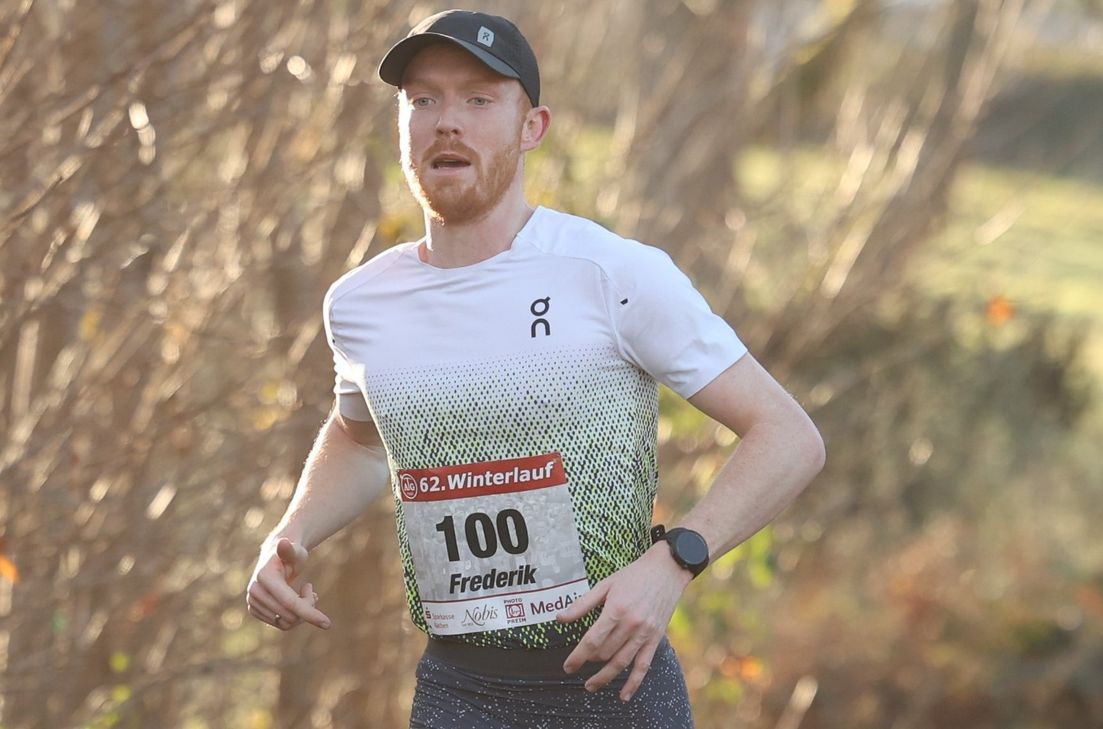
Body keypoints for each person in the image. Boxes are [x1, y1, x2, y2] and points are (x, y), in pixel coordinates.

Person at [245, 9, 825, 728]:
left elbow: (788, 436)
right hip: (458, 691)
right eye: (423, 100)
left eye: (478, 99)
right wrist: (291, 533)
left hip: (613, 686)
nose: (446, 121)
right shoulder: (361, 302)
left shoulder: (610, 273)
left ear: (531, 127)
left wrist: (673, 562)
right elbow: (361, 439)